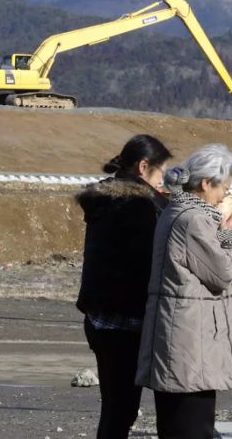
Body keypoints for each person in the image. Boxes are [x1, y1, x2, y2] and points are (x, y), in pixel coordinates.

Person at [136, 144, 232, 439]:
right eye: (224, 187)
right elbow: (222, 273)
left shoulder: (182, 212)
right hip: (189, 346)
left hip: (187, 343)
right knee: (190, 427)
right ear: (205, 183)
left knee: (185, 424)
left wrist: (222, 235)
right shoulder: (192, 220)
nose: (225, 194)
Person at [75, 134, 173, 439]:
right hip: (126, 321)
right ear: (144, 167)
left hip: (99, 317)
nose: (162, 182)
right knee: (121, 410)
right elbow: (152, 261)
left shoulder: (105, 199)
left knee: (115, 407)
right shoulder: (139, 206)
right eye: (161, 173)